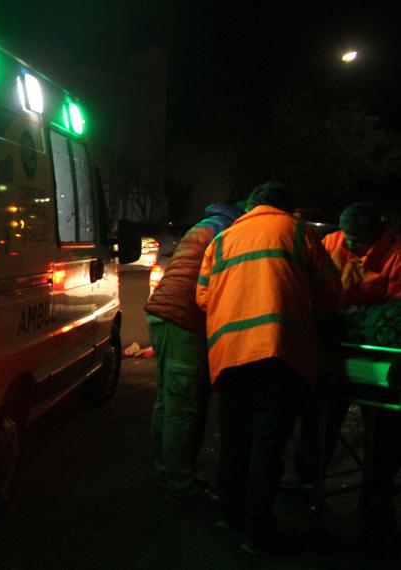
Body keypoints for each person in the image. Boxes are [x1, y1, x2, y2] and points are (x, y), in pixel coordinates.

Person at [195, 182, 340, 556]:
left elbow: (203, 297)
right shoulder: (298, 232)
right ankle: (259, 533)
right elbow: (330, 292)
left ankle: (230, 514)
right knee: (267, 444)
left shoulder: (223, 240)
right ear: (287, 208)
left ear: (254, 206)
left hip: (229, 355)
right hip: (278, 353)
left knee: (235, 438)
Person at [289, 201, 401, 548]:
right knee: (319, 416)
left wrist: (358, 310)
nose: (350, 247)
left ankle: (377, 490)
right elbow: (314, 289)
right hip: (332, 350)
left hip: (375, 358)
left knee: (382, 427)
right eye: (348, 239)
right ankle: (307, 475)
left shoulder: (396, 255)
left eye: (359, 243)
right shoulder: (331, 243)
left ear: (376, 236)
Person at [145, 202, 243, 508]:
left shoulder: (206, 226)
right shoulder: (228, 232)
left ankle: (167, 475)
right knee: (183, 405)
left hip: (163, 315)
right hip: (184, 320)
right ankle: (180, 484)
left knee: (168, 400)